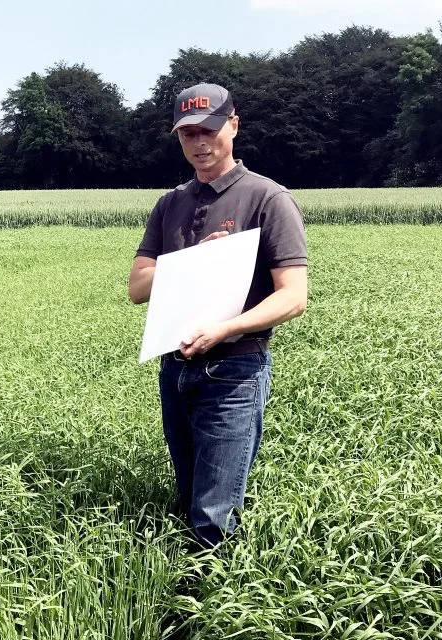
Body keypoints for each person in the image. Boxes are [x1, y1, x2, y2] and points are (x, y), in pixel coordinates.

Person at [129, 83, 308, 550]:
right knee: (187, 495)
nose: (200, 143)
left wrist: (226, 328)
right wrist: (187, 262)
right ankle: (182, 598)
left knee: (213, 514)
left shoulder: (267, 199)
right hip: (176, 368)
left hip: (235, 369)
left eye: (209, 129)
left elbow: (293, 298)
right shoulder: (171, 204)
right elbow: (136, 288)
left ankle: (212, 603)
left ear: (233, 124)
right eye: (187, 134)